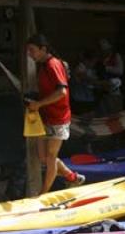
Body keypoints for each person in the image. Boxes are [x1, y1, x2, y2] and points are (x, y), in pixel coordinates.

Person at [25, 33, 85, 194]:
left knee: (50, 158)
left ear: (43, 49)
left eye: (32, 50)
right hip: (45, 116)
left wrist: (39, 103)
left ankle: (43, 194)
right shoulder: (43, 66)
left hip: (58, 118)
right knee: (43, 158)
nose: (30, 55)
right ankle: (72, 177)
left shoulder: (53, 64)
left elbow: (62, 92)